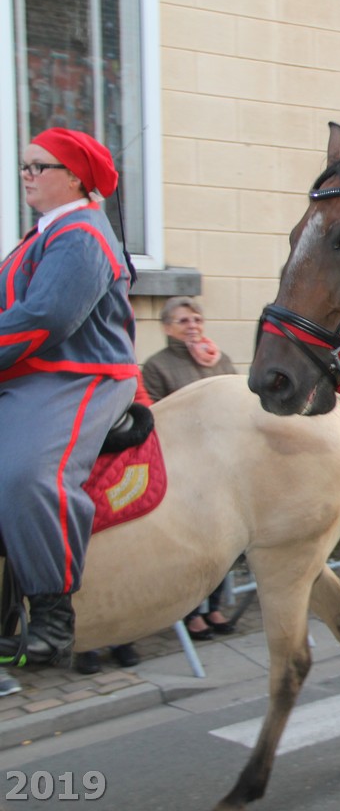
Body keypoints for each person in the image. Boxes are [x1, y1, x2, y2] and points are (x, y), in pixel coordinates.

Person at [0, 129, 138, 672]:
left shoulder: (81, 234)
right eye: (25, 165)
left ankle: (53, 620)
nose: (27, 175)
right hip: (30, 370)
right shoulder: (41, 234)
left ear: (76, 178)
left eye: (39, 166)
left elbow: (46, 318)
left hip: (78, 373)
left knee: (27, 474)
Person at [138, 296, 238, 649]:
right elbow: (156, 415)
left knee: (224, 537)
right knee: (194, 543)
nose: (192, 326)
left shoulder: (219, 358)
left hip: (223, 463)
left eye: (196, 319)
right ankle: (191, 610)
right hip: (185, 466)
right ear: (167, 328)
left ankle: (214, 606)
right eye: (183, 321)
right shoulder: (157, 366)